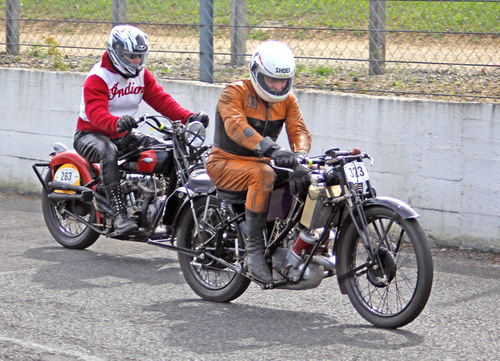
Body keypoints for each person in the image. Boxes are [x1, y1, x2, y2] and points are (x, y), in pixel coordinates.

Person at [74, 25, 209, 236]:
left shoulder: (141, 75)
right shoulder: (98, 78)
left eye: (140, 56)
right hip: (91, 134)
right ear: (116, 52)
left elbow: (162, 101)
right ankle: (119, 215)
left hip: (123, 133)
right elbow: (95, 113)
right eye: (131, 56)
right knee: (108, 152)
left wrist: (188, 117)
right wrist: (116, 123)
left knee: (169, 149)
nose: (137, 61)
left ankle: (167, 213)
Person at [206, 40, 312, 283]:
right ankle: (254, 253)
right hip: (224, 162)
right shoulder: (235, 92)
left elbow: (299, 131)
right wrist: (272, 149)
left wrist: (301, 158)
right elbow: (236, 127)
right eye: (271, 80)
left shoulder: (287, 99)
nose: (277, 86)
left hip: (264, 161)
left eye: (283, 81)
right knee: (263, 174)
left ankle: (295, 240)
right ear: (256, 73)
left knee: (311, 178)